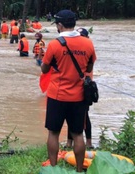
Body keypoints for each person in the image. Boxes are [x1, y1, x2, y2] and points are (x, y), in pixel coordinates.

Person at [41, 9, 97, 173]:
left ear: (59, 25)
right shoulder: (88, 43)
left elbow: (44, 69)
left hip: (56, 95)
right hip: (79, 96)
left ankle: (53, 168)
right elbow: (89, 67)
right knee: (78, 134)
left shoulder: (54, 45)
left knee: (53, 133)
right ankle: (79, 170)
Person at [66, 27, 93, 149]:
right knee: (69, 115)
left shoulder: (88, 48)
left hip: (85, 87)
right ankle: (68, 142)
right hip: (72, 86)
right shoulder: (76, 48)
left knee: (84, 116)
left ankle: (89, 142)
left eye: (82, 36)